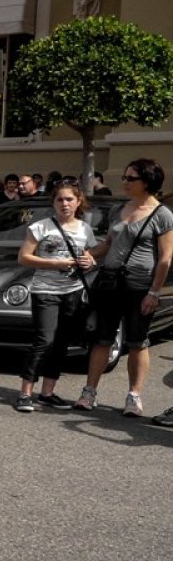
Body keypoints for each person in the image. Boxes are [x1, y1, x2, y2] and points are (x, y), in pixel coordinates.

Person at [73, 158, 173, 416]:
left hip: (140, 285)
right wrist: (91, 255)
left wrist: (154, 292)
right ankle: (89, 392)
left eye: (131, 178)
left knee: (137, 341)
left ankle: (134, 397)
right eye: (125, 177)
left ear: (147, 182)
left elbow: (165, 257)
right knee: (102, 338)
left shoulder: (162, 214)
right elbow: (108, 243)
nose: (125, 182)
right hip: (110, 281)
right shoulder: (118, 209)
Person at [13, 181, 96, 412]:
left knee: (61, 342)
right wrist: (54, 263)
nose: (65, 204)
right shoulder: (41, 227)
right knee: (44, 340)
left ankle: (48, 392)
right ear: (54, 202)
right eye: (60, 199)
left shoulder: (84, 229)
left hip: (72, 291)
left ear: (78, 202)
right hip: (45, 291)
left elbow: (89, 255)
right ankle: (25, 392)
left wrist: (89, 261)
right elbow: (24, 257)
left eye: (69, 199)